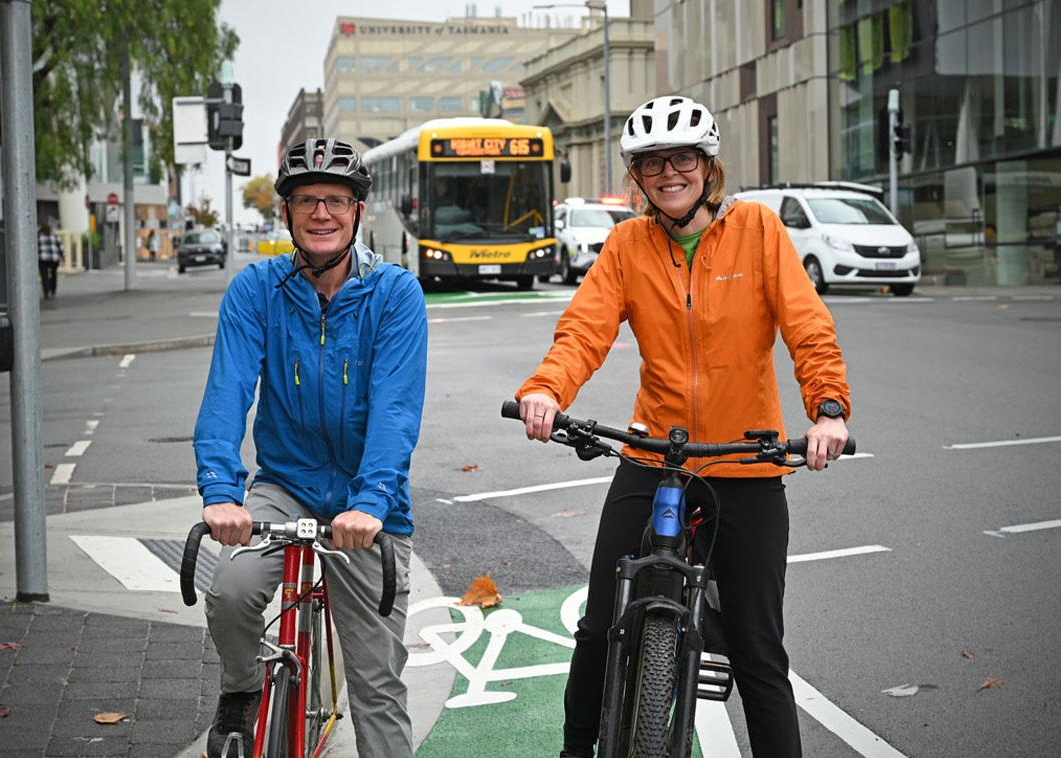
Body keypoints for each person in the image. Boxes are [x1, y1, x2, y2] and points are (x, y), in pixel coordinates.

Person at [512, 96, 851, 758]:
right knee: (598, 624)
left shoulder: (757, 231)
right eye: (652, 163)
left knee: (757, 649)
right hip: (654, 457)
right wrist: (547, 389)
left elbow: (808, 326)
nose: (669, 173)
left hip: (746, 460)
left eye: (684, 158)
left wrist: (828, 409)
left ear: (708, 165)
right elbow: (584, 328)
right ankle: (576, 750)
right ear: (638, 176)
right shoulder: (628, 244)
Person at [194, 137, 428, 758]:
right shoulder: (257, 291)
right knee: (233, 589)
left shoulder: (395, 295)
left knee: (377, 686)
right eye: (306, 201)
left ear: (357, 211)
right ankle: (241, 688)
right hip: (285, 484)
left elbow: (395, 411)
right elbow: (227, 393)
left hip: (366, 500)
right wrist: (221, 491)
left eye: (335, 200)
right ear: (287, 213)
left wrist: (372, 500)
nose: (321, 213)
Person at [37, 222, 64, 299]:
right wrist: (63, 256)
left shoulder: (39, 237)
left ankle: (46, 291)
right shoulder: (55, 236)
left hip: (43, 258)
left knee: (44, 275)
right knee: (53, 274)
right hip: (54, 258)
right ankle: (53, 289)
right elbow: (60, 247)